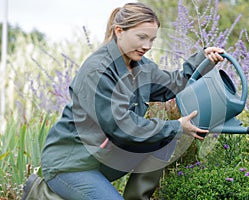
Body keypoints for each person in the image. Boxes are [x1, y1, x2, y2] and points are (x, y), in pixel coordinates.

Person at [24, 2, 225, 200]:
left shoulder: (141, 67)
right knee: (170, 130)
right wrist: (176, 126)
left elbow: (171, 85)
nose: (147, 46)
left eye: (152, 40)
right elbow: (122, 126)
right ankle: (40, 194)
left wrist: (203, 59)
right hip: (71, 164)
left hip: (104, 157)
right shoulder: (98, 70)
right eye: (141, 37)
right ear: (119, 31)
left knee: (165, 138)